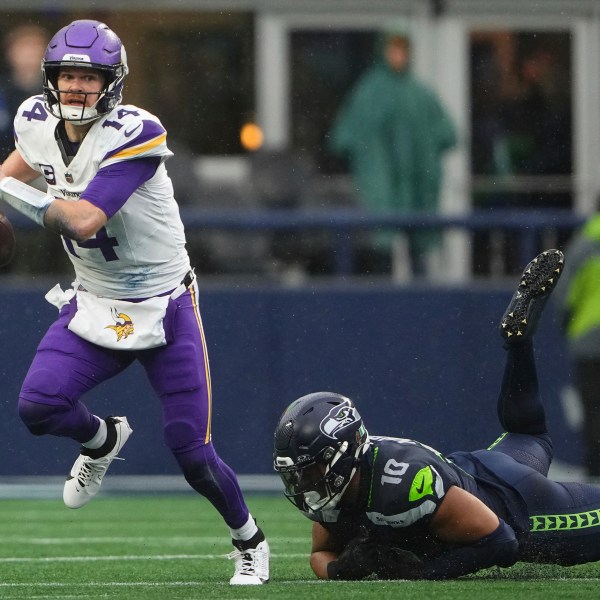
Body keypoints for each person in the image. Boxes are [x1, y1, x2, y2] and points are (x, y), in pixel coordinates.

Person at [0, 20, 269, 585]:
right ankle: (102, 439)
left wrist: (9, 196)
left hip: (163, 305)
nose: (75, 88)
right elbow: (12, 173)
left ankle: (250, 538)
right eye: (66, 76)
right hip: (95, 298)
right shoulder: (35, 121)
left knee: (190, 451)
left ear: (111, 83)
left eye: (87, 77)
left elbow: (83, 217)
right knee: (37, 405)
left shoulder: (134, 133)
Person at [274, 248, 600, 580]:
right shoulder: (339, 492)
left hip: (516, 504)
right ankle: (518, 345)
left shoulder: (401, 483)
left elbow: (502, 541)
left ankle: (518, 345)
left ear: (341, 456)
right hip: (479, 468)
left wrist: (421, 572)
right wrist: (339, 570)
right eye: (298, 474)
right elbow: (319, 555)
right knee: (528, 434)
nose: (304, 483)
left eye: (311, 470)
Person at [328, 24, 457, 278]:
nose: (399, 56)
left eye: (403, 50)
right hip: (381, 194)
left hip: (417, 192)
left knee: (419, 258)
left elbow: (448, 134)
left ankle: (421, 308)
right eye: (393, 49)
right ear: (382, 51)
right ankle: (384, 306)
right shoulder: (369, 92)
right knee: (382, 260)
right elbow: (343, 139)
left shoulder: (419, 94)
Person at [554, 212, 600, 478]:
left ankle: (595, 469)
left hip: (589, 341)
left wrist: (568, 325)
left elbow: (565, 295)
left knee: (594, 407)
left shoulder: (584, 244)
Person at [0, 24, 49, 161]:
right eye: (24, 47)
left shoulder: (55, 91)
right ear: (10, 52)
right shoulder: (3, 89)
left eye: (35, 47)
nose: (29, 54)